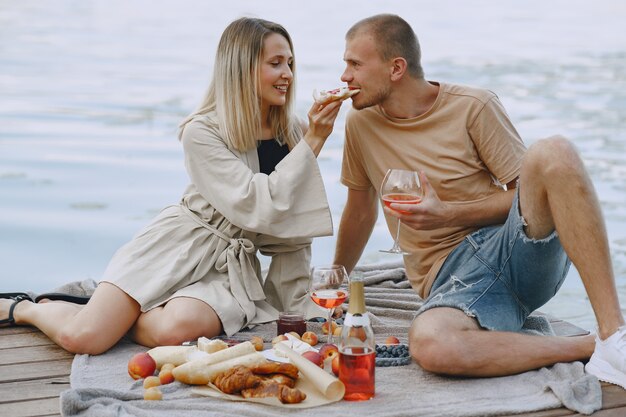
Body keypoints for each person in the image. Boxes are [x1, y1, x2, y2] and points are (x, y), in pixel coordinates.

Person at [0, 17, 344, 354]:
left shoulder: (295, 131)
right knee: (84, 339)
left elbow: (293, 230)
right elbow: (256, 204)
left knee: (173, 330)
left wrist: (299, 302)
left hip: (228, 270)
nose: (288, 74)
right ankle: (26, 309)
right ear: (242, 68)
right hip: (179, 246)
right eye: (275, 63)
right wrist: (313, 141)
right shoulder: (202, 132)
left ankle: (118, 313)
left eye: (290, 63)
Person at [332, 13, 626, 387]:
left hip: (513, 249)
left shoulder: (474, 106)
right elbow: (359, 213)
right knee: (431, 344)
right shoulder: (360, 124)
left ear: (396, 68)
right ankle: (588, 347)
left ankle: (614, 333)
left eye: (354, 64)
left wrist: (446, 214)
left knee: (555, 151)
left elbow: (528, 196)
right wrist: (335, 282)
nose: (345, 77)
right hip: (451, 279)